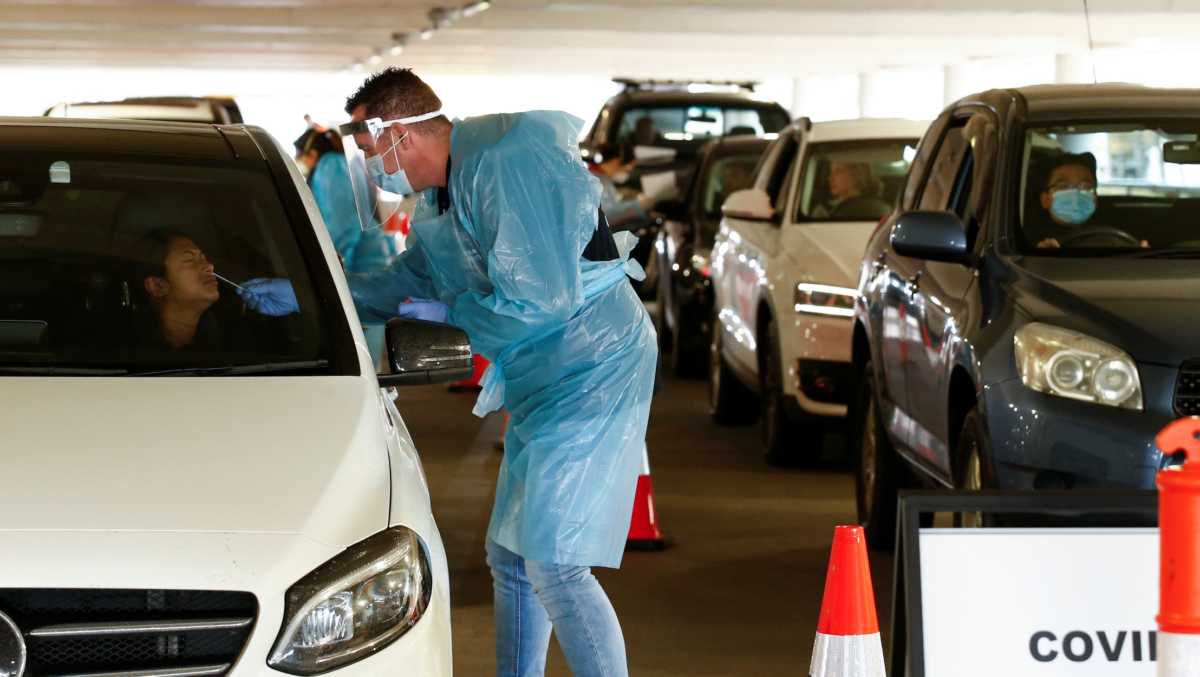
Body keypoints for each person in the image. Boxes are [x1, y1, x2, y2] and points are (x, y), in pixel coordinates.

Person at [244, 68, 656, 677]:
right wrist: (315, 295)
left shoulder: (505, 163)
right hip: (544, 375)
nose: (370, 168)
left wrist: (453, 312)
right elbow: (407, 281)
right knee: (512, 556)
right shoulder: (441, 195)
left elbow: (542, 300)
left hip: (593, 366)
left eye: (367, 151)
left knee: (554, 563)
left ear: (398, 136)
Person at [135, 229, 221, 350]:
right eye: (189, 260)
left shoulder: (227, 340)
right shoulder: (131, 352)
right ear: (156, 286)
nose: (210, 266)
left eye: (203, 258)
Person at [814, 160, 890, 220]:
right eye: (831, 172)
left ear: (855, 174)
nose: (830, 178)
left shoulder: (878, 208)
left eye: (838, 171)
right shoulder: (824, 211)